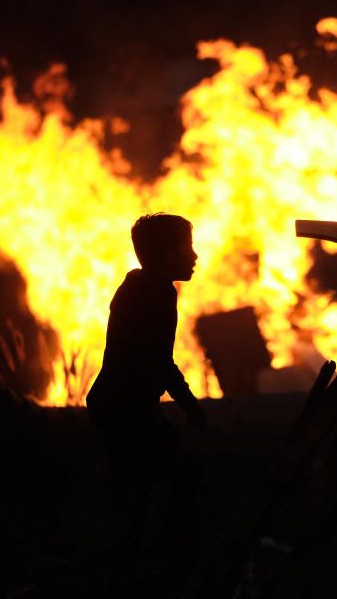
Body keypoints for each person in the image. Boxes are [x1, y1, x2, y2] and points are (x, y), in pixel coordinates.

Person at [86, 213, 208, 591]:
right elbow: (157, 359)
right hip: (124, 408)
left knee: (143, 487)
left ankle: (132, 569)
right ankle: (156, 570)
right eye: (188, 248)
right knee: (161, 481)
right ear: (169, 256)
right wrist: (189, 404)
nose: (195, 256)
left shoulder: (145, 288)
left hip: (122, 405)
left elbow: (156, 360)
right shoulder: (152, 293)